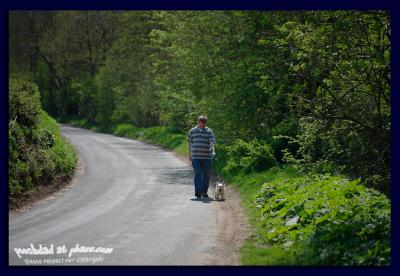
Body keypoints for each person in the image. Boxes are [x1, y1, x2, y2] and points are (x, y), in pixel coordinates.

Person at [187, 115, 216, 198]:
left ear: (205, 123)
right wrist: (190, 154)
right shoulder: (192, 131)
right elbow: (189, 143)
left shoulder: (209, 131)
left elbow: (211, 142)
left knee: (206, 175)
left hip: (206, 157)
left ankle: (204, 192)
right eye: (200, 123)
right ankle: (198, 191)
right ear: (198, 122)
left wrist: (213, 151)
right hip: (195, 156)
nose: (202, 124)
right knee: (198, 173)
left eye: (203, 123)